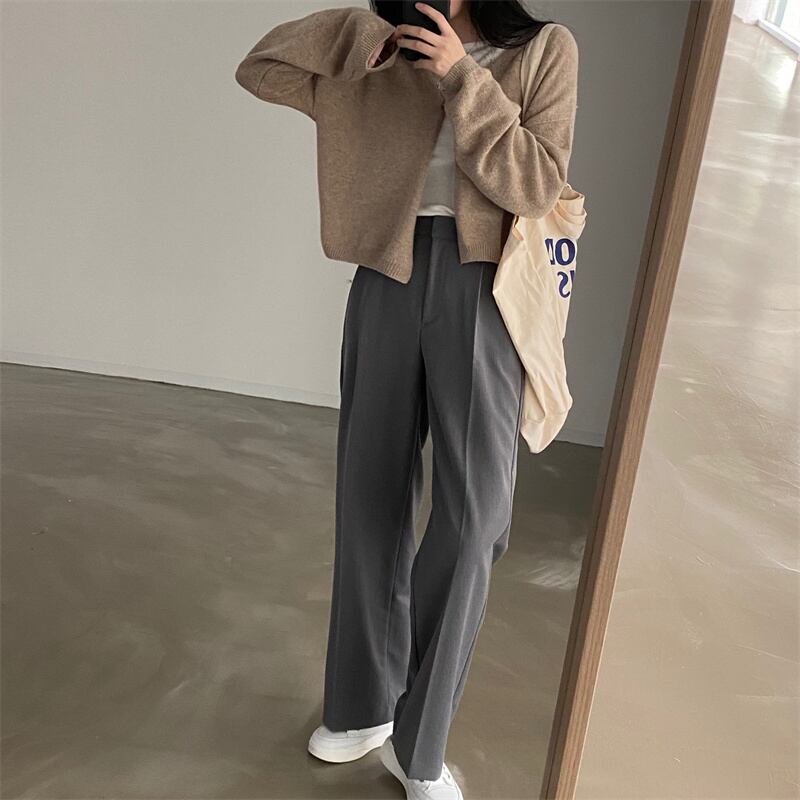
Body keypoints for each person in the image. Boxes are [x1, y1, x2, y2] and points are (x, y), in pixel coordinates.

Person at [235, 2, 578, 797]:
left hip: (485, 283)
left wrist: (462, 76)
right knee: (370, 497)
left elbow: (536, 184)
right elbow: (261, 67)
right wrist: (361, 35)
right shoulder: (385, 51)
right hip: (385, 274)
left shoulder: (543, 49)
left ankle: (419, 742)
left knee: (475, 517)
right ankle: (362, 707)